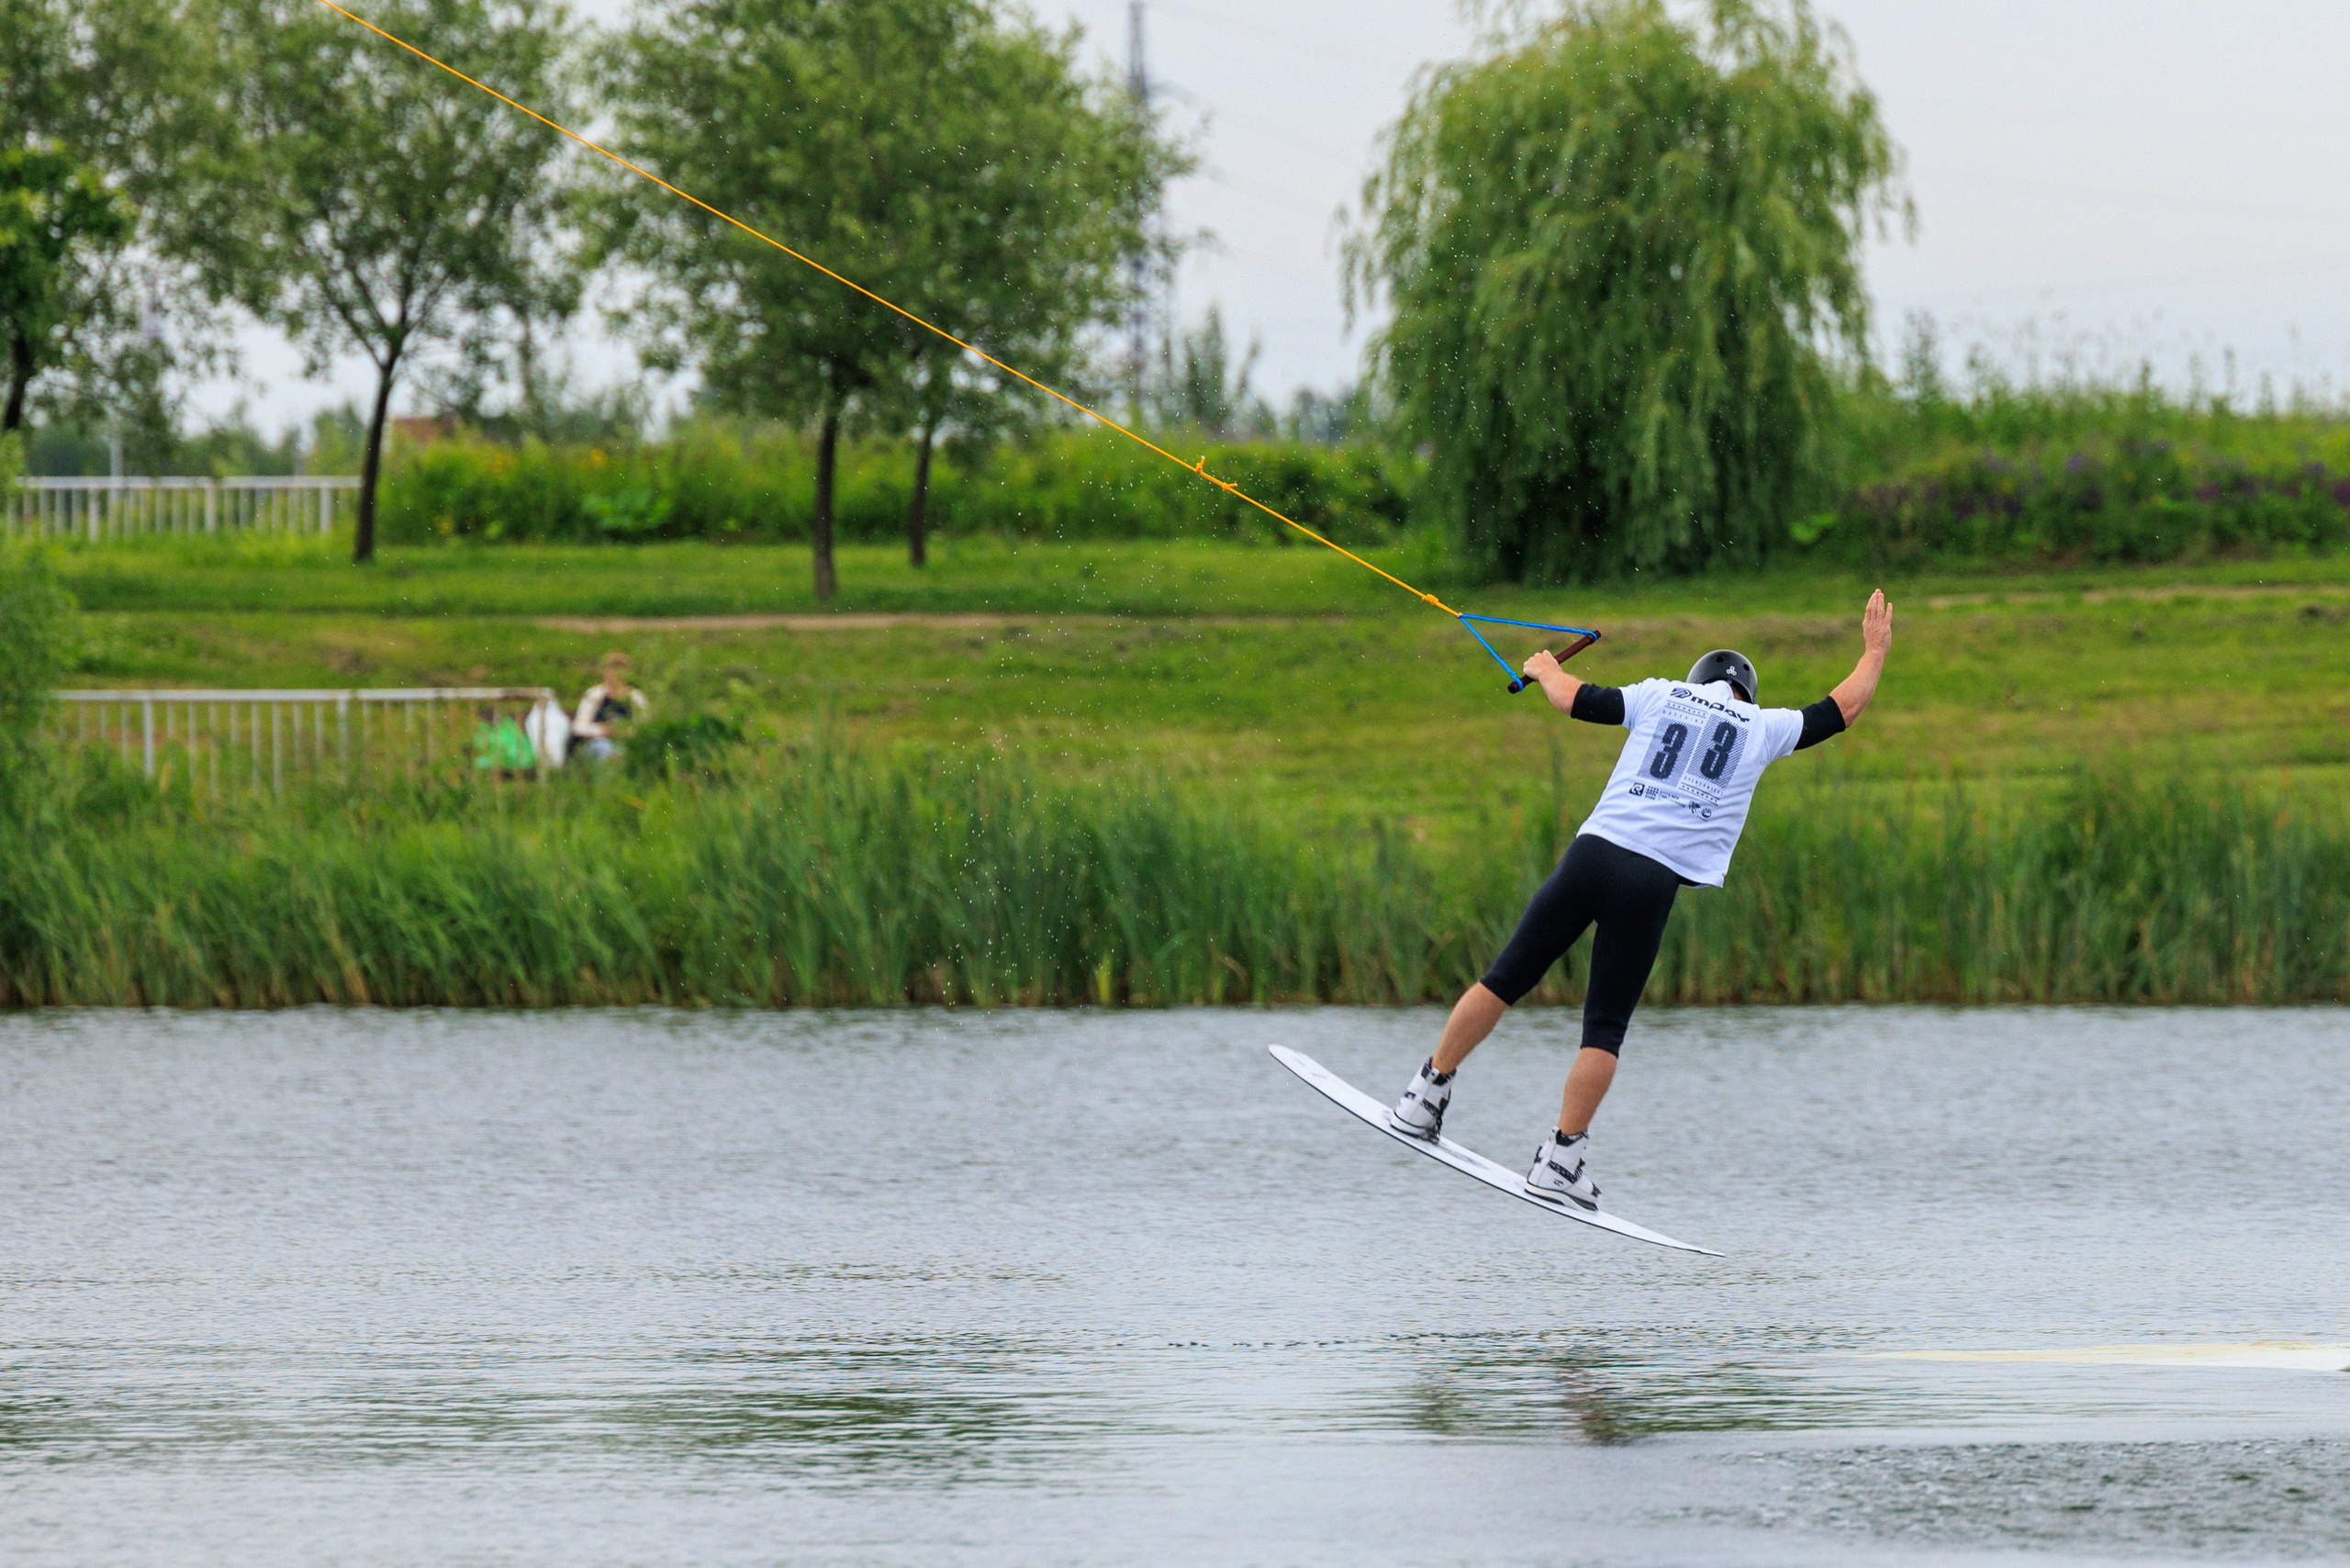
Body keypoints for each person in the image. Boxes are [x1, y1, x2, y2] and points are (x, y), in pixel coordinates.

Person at [1388, 590, 1895, 1211]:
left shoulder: (1660, 694)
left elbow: (1574, 699)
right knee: (1603, 1030)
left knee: (1504, 979)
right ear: (1746, 695)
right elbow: (1843, 708)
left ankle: (1424, 1094)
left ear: (1697, 681)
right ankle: (1560, 1157)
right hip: (1649, 882)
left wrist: (1546, 668)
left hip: (1591, 854)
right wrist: (1873, 651)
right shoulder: (1762, 728)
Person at [573, 653, 648, 764]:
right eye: (610, 669)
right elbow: (579, 727)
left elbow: (645, 727)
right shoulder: (594, 695)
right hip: (597, 744)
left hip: (626, 744)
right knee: (605, 749)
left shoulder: (636, 698)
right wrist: (602, 730)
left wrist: (625, 732)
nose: (614, 674)